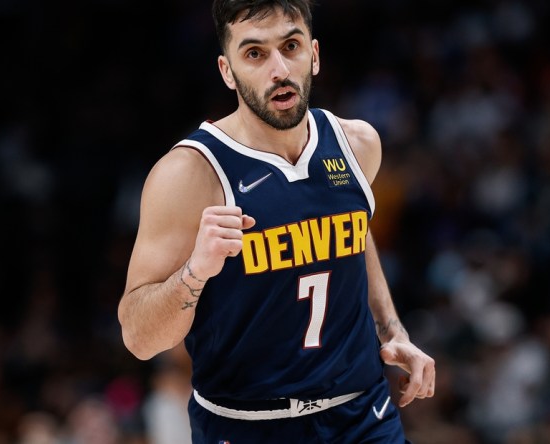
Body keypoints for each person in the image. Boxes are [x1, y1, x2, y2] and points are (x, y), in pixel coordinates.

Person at [118, 0, 435, 442]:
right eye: (255, 53)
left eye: (291, 45)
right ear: (227, 71)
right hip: (247, 425)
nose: (279, 69)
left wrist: (392, 328)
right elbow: (138, 337)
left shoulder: (358, 144)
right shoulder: (190, 174)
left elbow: (353, 234)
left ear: (315, 55)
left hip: (362, 414)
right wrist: (196, 271)